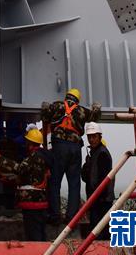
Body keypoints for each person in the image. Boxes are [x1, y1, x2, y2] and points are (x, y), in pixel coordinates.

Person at [41, 88, 101, 224]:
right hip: (75, 148)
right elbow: (94, 118)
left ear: (67, 97)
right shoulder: (82, 111)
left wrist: (44, 106)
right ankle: (72, 218)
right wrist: (96, 107)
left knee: (55, 182)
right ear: (77, 100)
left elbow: (45, 116)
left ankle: (55, 216)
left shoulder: (57, 106)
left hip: (59, 147)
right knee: (74, 183)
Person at [0, 127, 50, 241]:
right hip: (39, 201)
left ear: (30, 143)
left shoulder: (34, 157)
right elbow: (28, 177)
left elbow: (19, 168)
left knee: (34, 234)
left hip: (32, 203)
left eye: (27, 141)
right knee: (39, 232)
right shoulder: (41, 157)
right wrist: (10, 180)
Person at [81, 122, 114, 240]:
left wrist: (100, 196)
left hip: (101, 200)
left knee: (101, 230)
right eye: (89, 137)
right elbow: (87, 177)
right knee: (97, 229)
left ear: (100, 137)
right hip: (96, 198)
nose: (91, 139)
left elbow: (103, 179)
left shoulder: (102, 154)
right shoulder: (93, 154)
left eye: (94, 136)